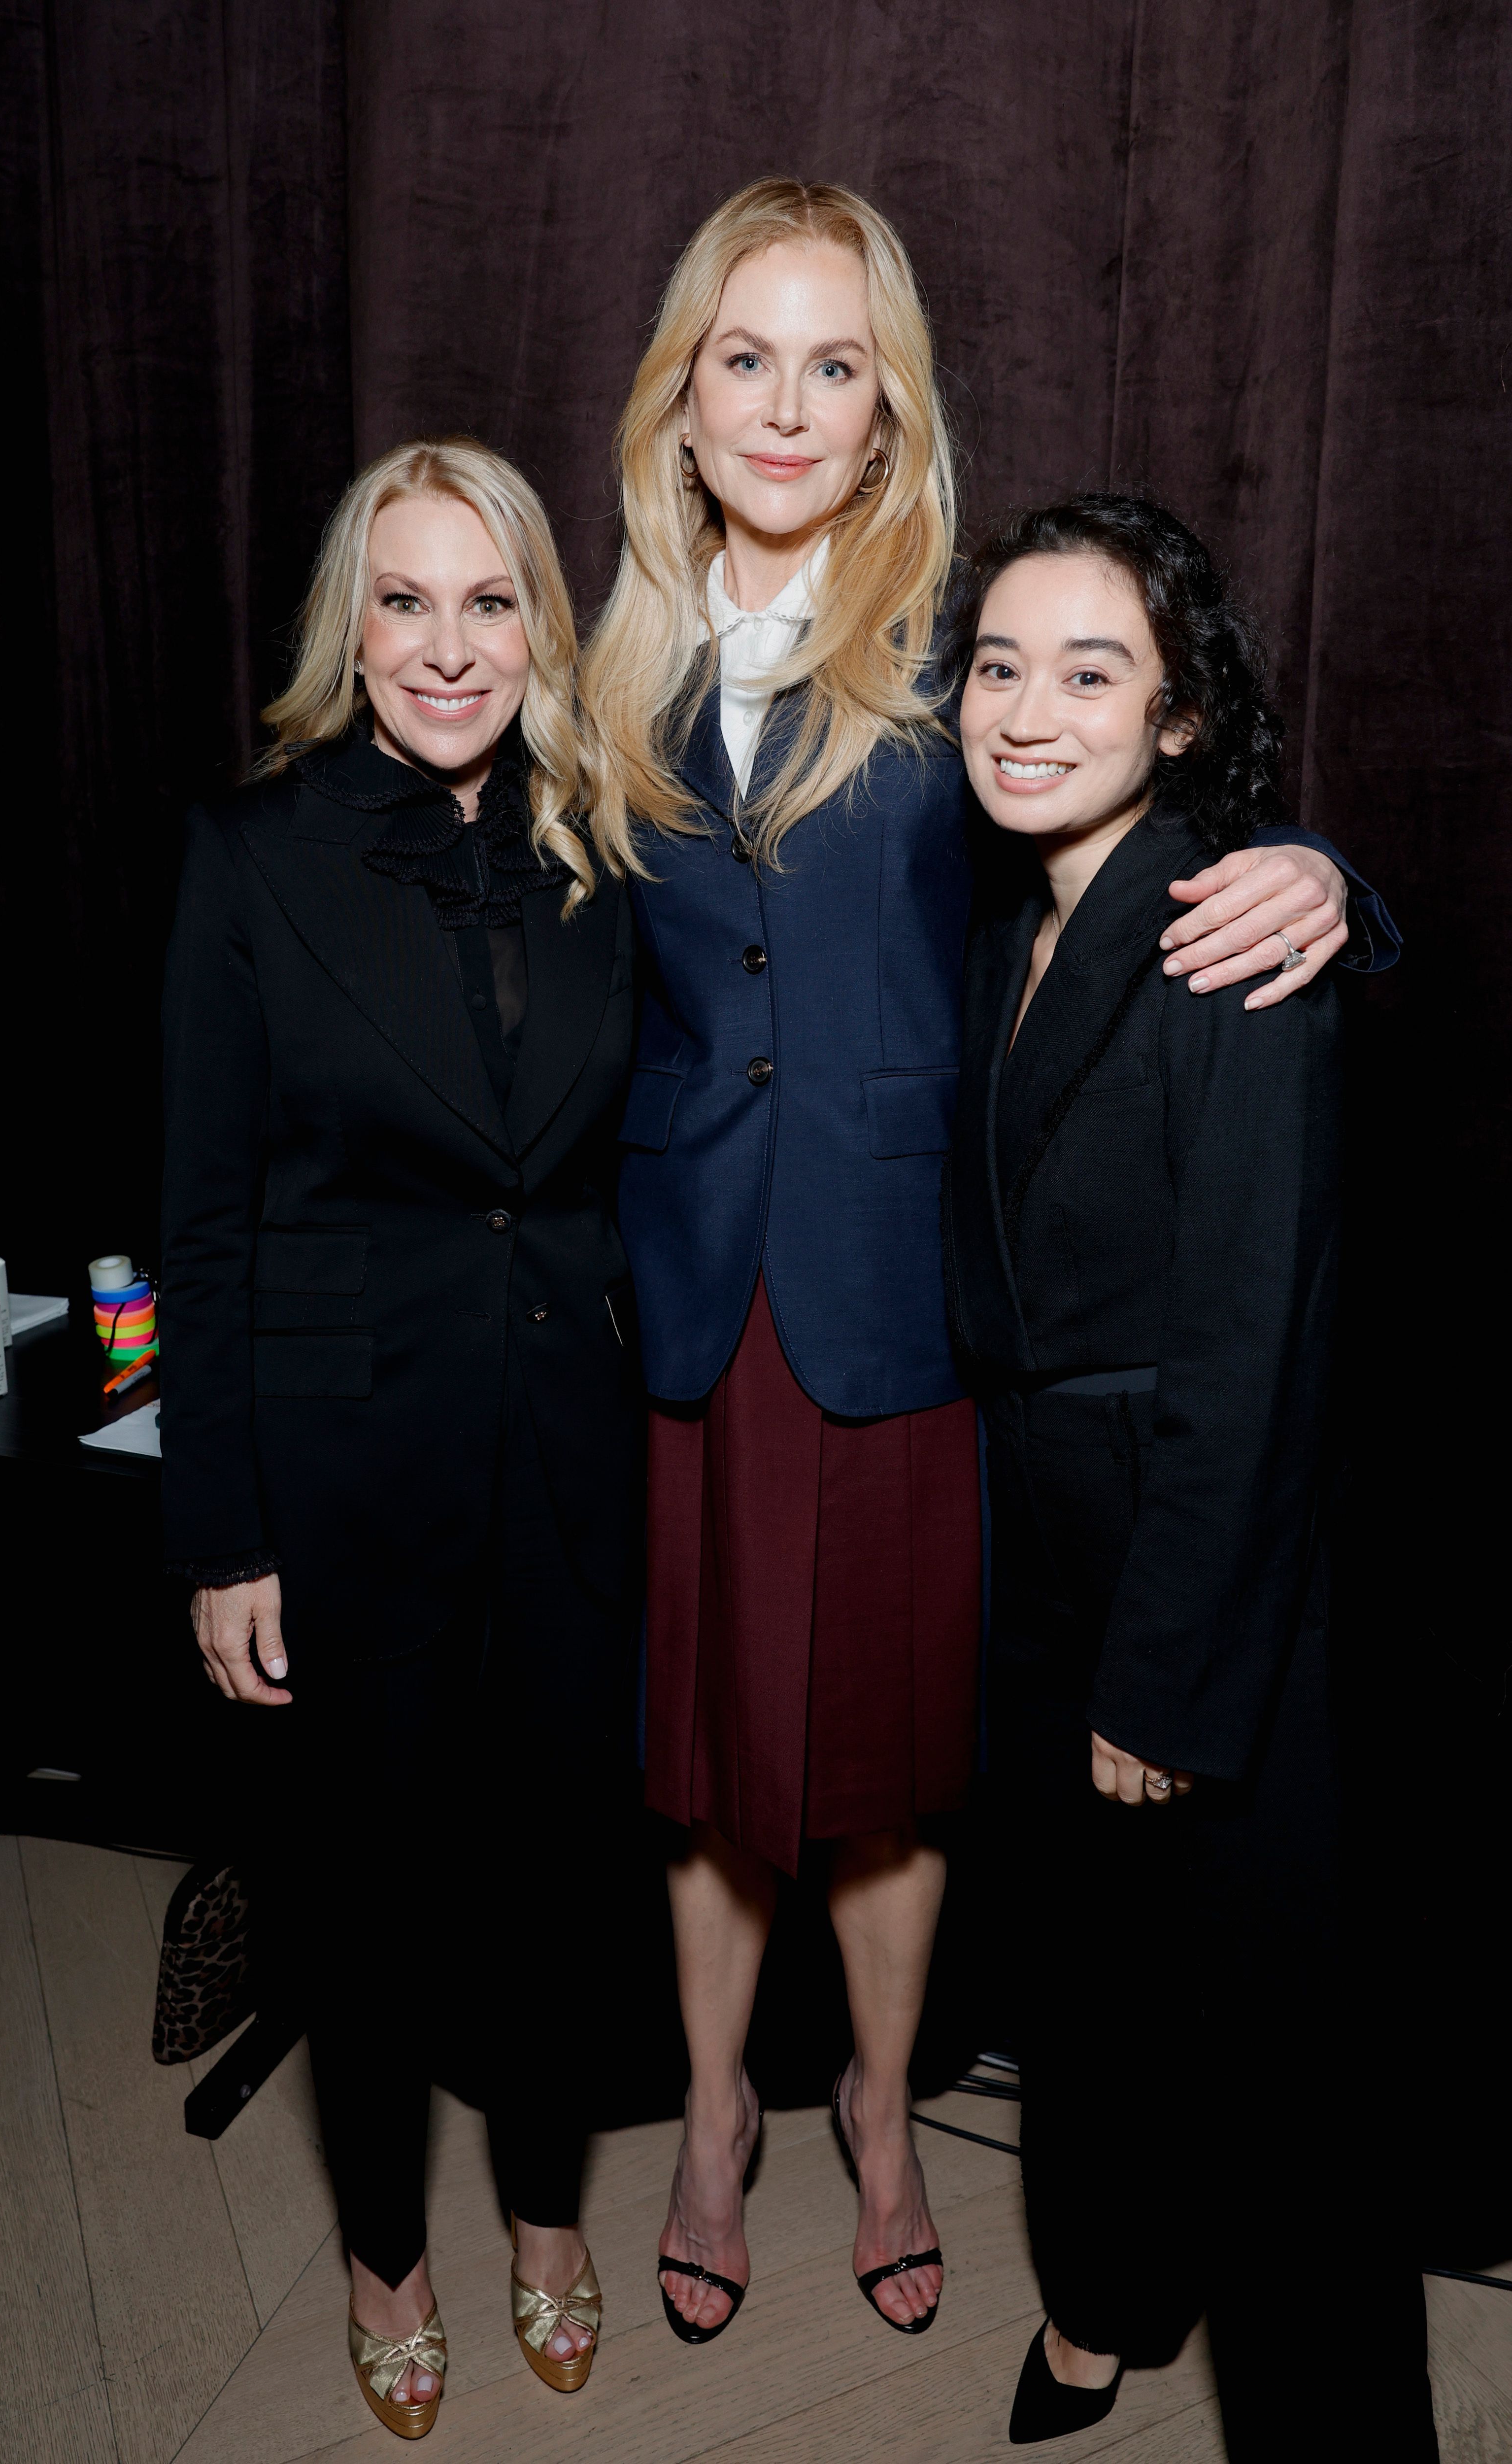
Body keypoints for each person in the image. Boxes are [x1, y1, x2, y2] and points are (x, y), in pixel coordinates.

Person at [578, 178, 1384, 2348]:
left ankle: (884, 2112)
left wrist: (1326, 877)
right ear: (682, 391)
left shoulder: (962, 647)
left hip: (903, 1300)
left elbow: (1155, 788)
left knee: (882, 1761)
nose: (786, 400)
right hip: (690, 1299)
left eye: (837, 363)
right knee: (708, 1760)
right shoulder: (609, 659)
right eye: (744, 353)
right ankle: (717, 2113)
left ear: (889, 411)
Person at [944, 494, 1435, 2458]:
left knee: (1271, 2064)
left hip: (1195, 1571)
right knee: (1090, 1985)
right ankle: (1111, 2290)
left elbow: (1256, 1349)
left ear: (1174, 720)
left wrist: (1164, 1669)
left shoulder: (1231, 922)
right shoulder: (1008, 915)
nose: (1028, 706)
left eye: (1091, 670)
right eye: (997, 663)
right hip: (1048, 1548)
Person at [160, 438, 639, 2439]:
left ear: (544, 618)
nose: (451, 646)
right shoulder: (254, 855)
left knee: (556, 1886)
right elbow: (203, 1213)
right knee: (358, 1902)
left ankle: (543, 2210)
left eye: (492, 598)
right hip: (349, 1471)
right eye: (407, 600)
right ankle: (386, 2253)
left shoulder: (617, 836)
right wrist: (224, 1525)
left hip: (579, 1456)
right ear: (349, 628)